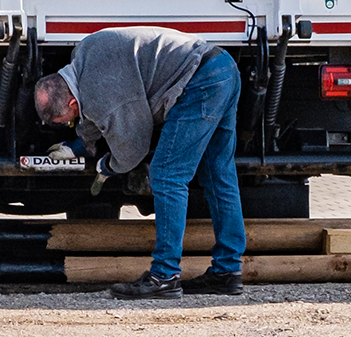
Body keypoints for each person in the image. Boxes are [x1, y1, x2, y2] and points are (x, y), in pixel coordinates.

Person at [34, 25, 246, 299]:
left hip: (199, 83)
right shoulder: (83, 55)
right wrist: (77, 146)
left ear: (72, 101)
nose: (69, 125)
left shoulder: (97, 90)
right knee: (218, 173)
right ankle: (227, 272)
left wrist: (106, 167)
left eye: (66, 121)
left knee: (167, 175)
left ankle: (164, 276)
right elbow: (93, 115)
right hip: (221, 67)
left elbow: (132, 149)